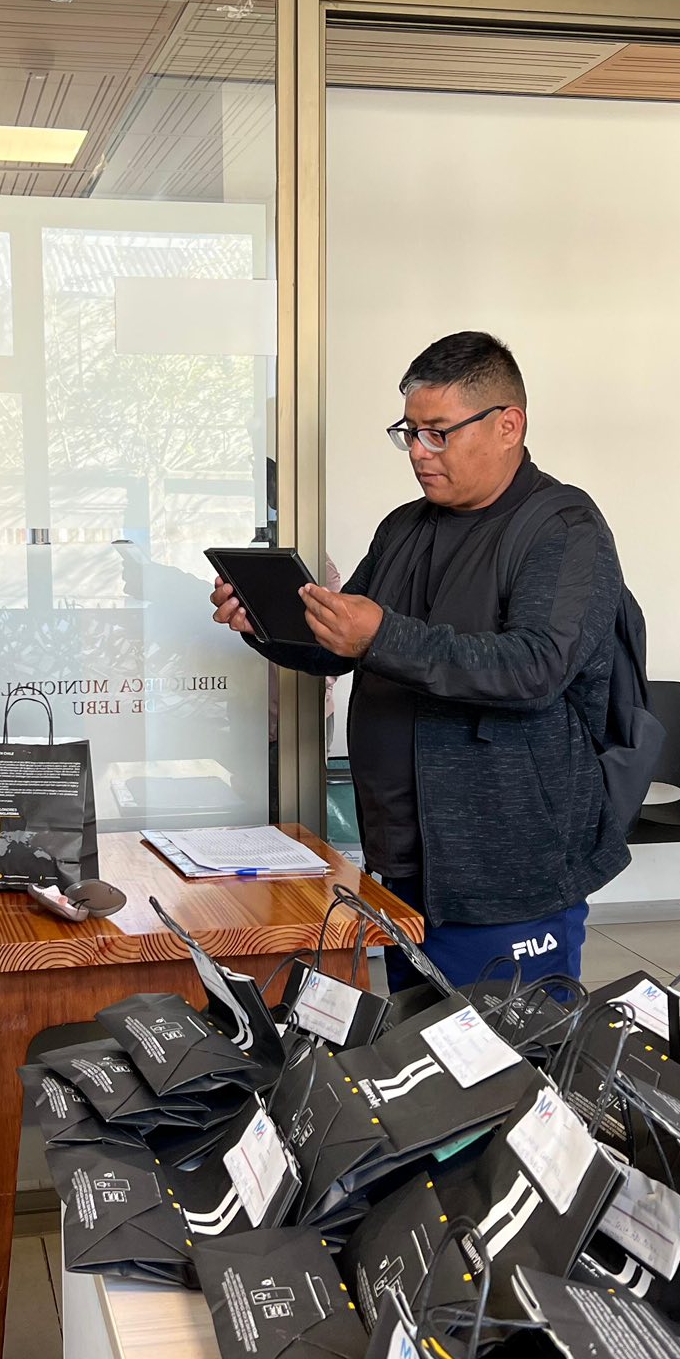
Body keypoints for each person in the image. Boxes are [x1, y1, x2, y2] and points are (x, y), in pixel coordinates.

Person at [211, 331, 631, 990]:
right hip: (405, 857)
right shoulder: (405, 527)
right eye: (408, 433)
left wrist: (382, 635)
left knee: (509, 1045)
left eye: (437, 433)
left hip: (506, 864)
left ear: (508, 426)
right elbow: (341, 645)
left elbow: (535, 668)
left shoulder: (563, 527)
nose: (416, 451)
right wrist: (264, 624)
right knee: (420, 1038)